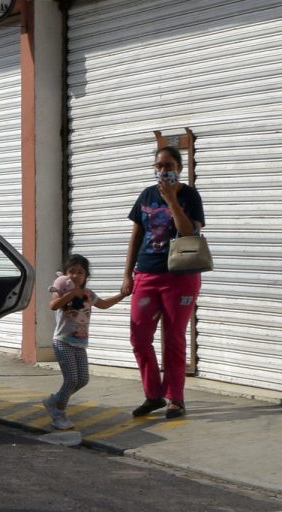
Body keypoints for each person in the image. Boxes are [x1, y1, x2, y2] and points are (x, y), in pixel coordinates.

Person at [121, 146, 205, 420]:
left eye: (169, 165)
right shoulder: (146, 195)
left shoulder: (190, 196)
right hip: (146, 274)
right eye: (159, 165)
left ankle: (175, 399)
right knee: (139, 337)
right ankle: (153, 394)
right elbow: (136, 235)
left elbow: (188, 231)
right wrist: (127, 273)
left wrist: (171, 201)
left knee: (173, 338)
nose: (163, 170)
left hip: (180, 277)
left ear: (179, 168)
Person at [43, 254, 127, 430]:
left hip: (80, 344)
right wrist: (71, 294)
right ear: (65, 274)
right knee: (71, 379)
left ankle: (54, 400)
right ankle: (58, 413)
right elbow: (53, 305)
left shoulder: (89, 294)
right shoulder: (62, 290)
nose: (75, 275)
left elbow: (103, 304)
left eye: (80, 272)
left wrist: (122, 294)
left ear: (86, 276)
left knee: (82, 379)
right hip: (62, 341)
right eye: (71, 271)